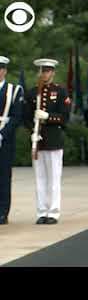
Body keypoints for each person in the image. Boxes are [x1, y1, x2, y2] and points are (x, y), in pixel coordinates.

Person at [24, 59, 71, 225]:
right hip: (39, 141)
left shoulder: (60, 92)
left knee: (53, 178)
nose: (45, 74)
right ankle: (42, 211)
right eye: (43, 71)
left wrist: (48, 117)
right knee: (40, 178)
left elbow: (65, 117)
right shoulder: (32, 93)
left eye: (48, 71)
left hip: (54, 140)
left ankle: (53, 212)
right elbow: (26, 117)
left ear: (53, 72)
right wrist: (32, 132)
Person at [0, 56, 24, 225]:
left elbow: (17, 117)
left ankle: (2, 212)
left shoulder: (14, 90)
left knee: (3, 176)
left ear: (5, 71)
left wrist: (2, 134)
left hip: (5, 139)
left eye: (1, 68)